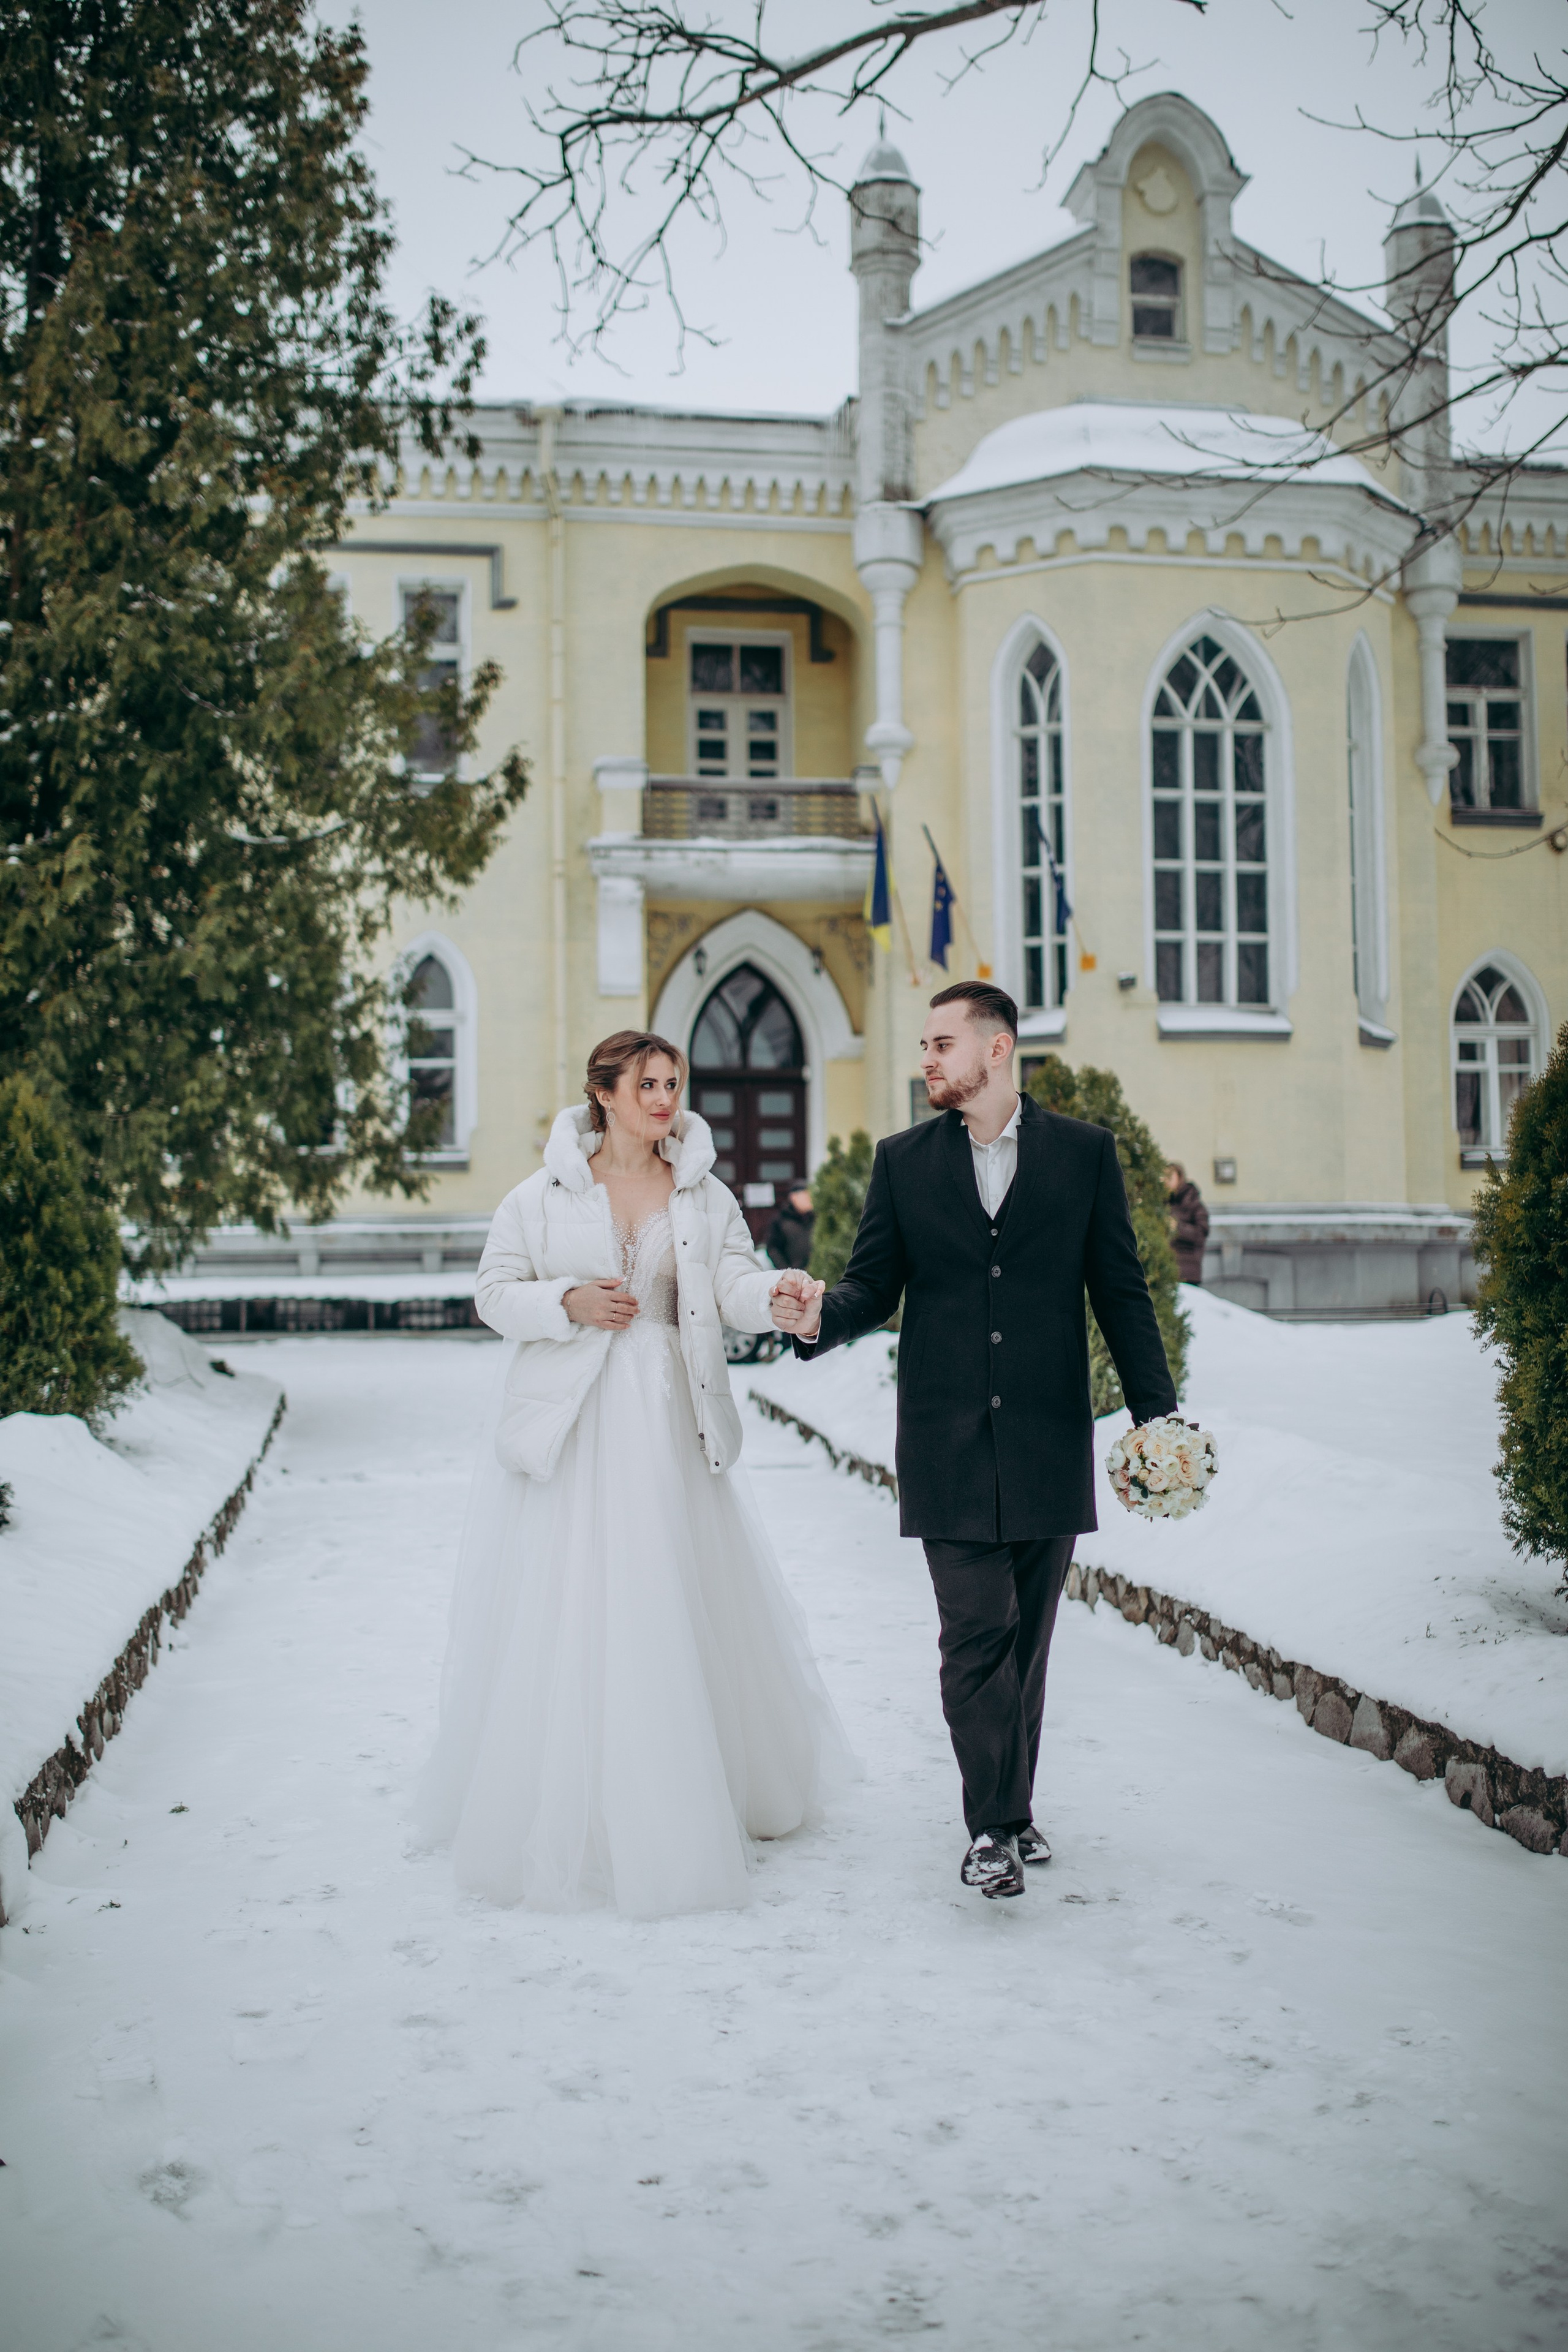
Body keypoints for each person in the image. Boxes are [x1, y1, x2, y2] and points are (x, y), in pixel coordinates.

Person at [414, 1031, 849, 1918]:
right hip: (574, 1424)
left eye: (672, 1083)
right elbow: (494, 1294)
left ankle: (697, 1790)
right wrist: (565, 1302)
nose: (664, 1098)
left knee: (671, 1597)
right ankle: (576, 1811)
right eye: (646, 1084)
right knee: (573, 1608)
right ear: (603, 1094)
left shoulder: (702, 1193)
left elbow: (728, 1282)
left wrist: (771, 1299)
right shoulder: (539, 1197)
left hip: (665, 1421)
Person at [772, 982, 1177, 1902]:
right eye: (923, 1044)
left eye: (942, 1043)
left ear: (997, 1051)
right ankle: (989, 1830)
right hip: (945, 1441)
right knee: (974, 1636)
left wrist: (1158, 1413)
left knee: (1027, 1645)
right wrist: (813, 1320)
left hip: (1045, 1438)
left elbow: (1120, 1289)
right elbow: (873, 1287)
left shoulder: (1083, 1156)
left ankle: (1017, 1808)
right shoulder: (904, 1163)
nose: (927, 1060)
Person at [1166, 1162, 1210, 1285]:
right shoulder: (1164, 1204)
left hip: (1188, 1273)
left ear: (1179, 1178)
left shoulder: (1195, 1205)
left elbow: (1201, 1235)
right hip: (1167, 1270)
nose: (1165, 1181)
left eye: (1170, 1177)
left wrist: (1177, 1227)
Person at [764, 1185, 815, 1272]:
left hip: (817, 1273)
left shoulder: (815, 1219)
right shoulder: (781, 1220)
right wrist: (786, 1271)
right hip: (794, 1275)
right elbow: (773, 1248)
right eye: (806, 1197)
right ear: (794, 1197)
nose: (810, 1200)